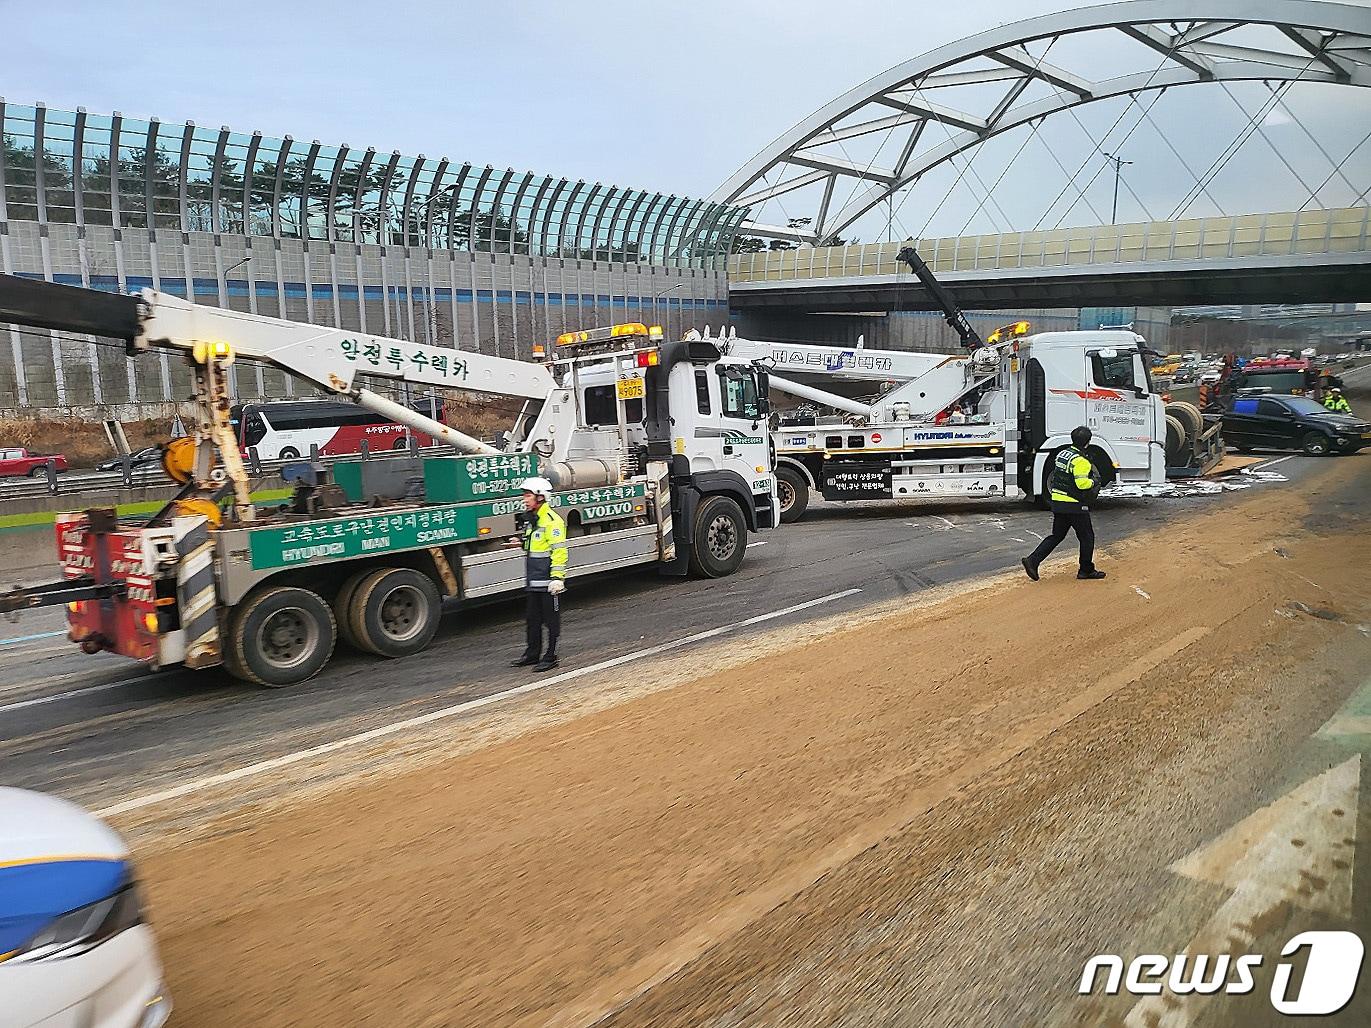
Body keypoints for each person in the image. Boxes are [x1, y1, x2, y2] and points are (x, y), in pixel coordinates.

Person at [1021, 426, 1106, 582]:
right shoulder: (1081, 461)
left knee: (1057, 535)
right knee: (1087, 537)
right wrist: (1093, 481)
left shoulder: (1063, 454)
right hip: (1074, 505)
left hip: (1058, 501)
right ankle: (1085, 570)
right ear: (1088, 442)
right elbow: (1081, 484)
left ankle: (1033, 560)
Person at [510, 477, 567, 672]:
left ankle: (551, 656)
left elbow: (559, 550)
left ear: (541, 497)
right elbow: (534, 546)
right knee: (532, 619)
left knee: (551, 620)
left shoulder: (552, 521)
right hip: (534, 580)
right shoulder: (532, 520)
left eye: (528, 495)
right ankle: (532, 654)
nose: (525, 499)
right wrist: (520, 543)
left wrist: (557, 578)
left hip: (548, 581)